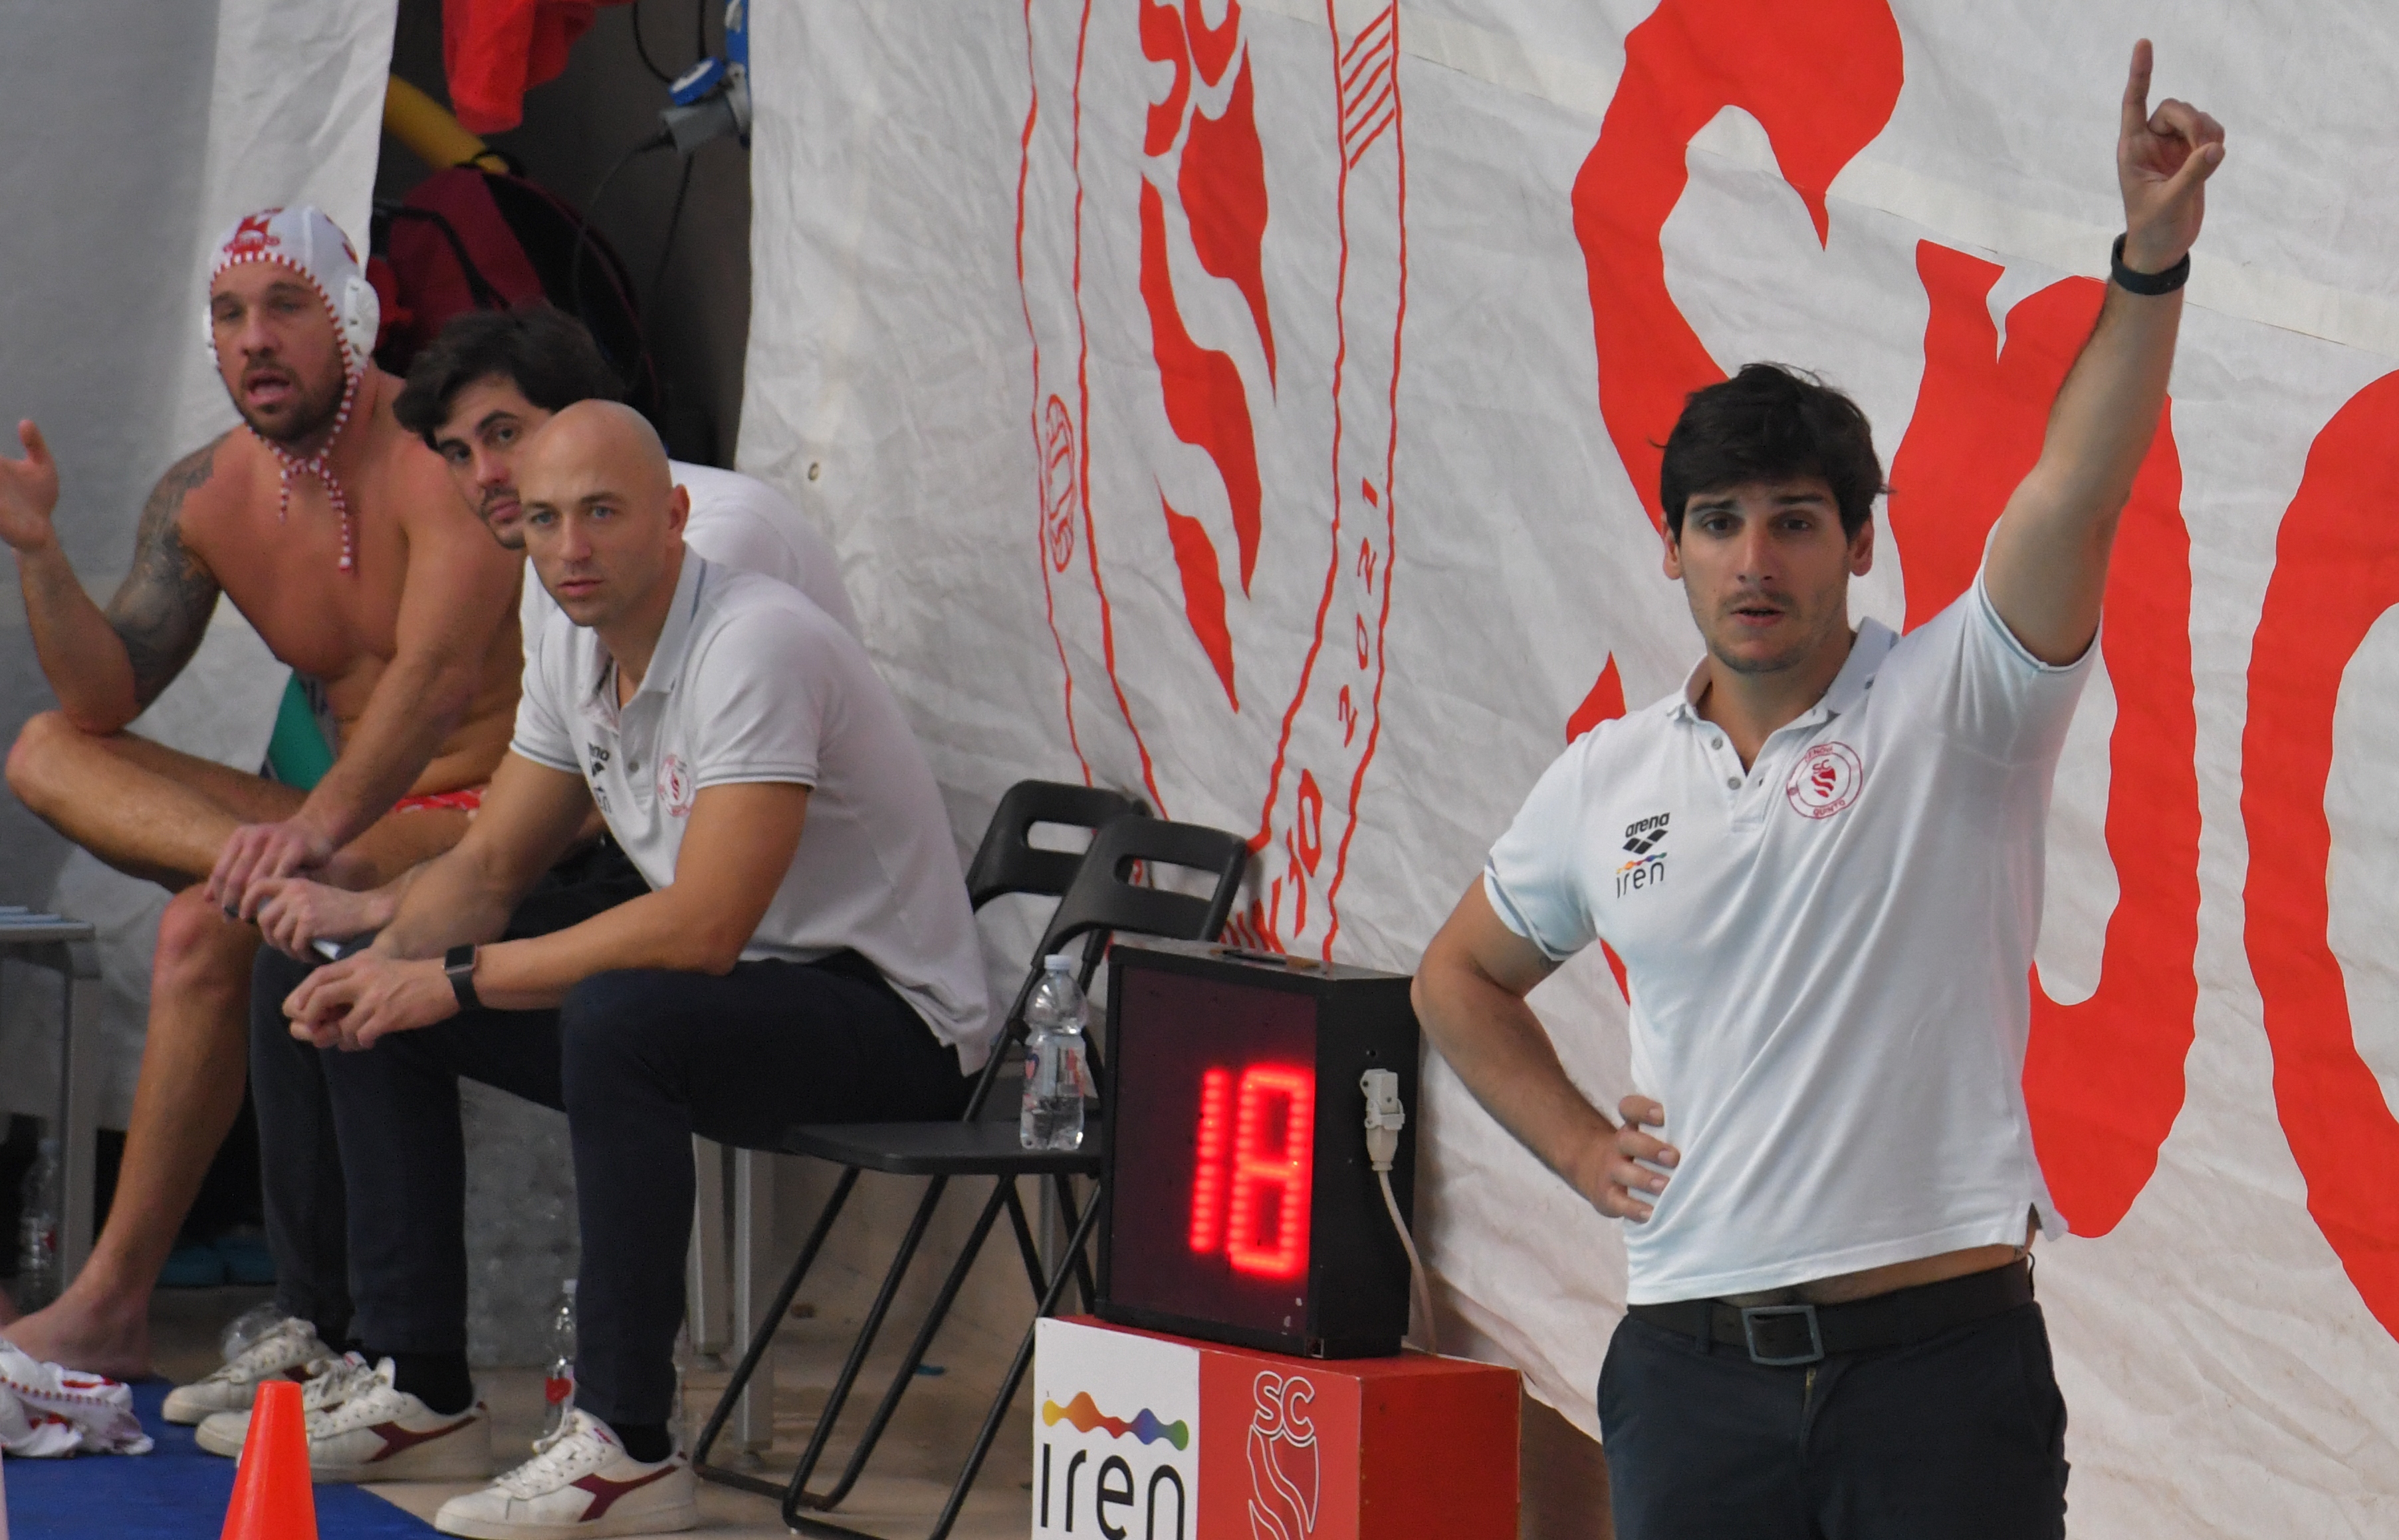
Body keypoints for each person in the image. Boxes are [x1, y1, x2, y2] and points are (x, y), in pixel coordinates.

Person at [1411, 43, 2221, 1540]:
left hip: (1935, 1375)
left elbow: (2077, 486)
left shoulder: (1960, 702)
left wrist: (2147, 263)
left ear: (1858, 542)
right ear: (1669, 548)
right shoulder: (1607, 776)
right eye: (1716, 522)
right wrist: (1579, 1146)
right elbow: (1455, 976)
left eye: (1792, 521)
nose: (1752, 558)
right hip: (1689, 1376)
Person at [226, 402, 988, 1530]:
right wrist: (381, 950)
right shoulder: (574, 638)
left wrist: (460, 978)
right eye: (544, 520)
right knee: (351, 981)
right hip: (735, 996)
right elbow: (491, 865)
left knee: (618, 1019)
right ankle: (414, 1381)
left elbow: (703, 927)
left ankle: (628, 1446)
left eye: (601, 514)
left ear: (673, 516)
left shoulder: (755, 641)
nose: (570, 549)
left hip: (891, 1019)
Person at [0, 206, 525, 1378]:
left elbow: (437, 684)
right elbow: (102, 697)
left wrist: (309, 831)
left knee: (204, 924)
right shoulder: (209, 493)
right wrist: (40, 554)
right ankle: (111, 1309)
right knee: (41, 748)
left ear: (352, 315)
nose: (254, 339)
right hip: (334, 828)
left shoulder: (441, 456)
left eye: (286, 305)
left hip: (481, 818)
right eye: (230, 315)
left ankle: (108, 1303)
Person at [236, 302, 860, 954]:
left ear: (581, 417)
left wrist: (429, 961)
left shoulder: (712, 540)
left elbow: (648, 856)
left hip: (799, 938)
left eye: (504, 434)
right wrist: (384, 926)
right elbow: (513, 837)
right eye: (458, 453)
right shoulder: (555, 564)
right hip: (657, 877)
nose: (484, 475)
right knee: (327, 959)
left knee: (568, 996)